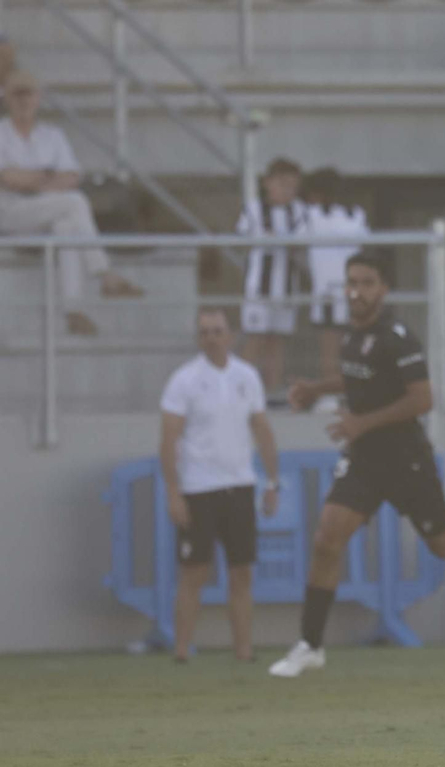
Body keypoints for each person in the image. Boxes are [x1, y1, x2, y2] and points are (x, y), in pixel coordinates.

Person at [267, 252, 445, 678]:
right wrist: (315, 389)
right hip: (363, 460)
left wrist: (361, 422)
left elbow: (422, 400)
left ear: (383, 289)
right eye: (351, 282)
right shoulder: (350, 337)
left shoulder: (398, 337)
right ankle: (311, 645)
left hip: (406, 461)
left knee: (444, 543)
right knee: (327, 539)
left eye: (366, 282)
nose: (356, 291)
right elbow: (356, 377)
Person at [159, 308, 278, 663]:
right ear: (198, 338)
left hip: (239, 485)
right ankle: (182, 649)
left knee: (242, 571)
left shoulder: (247, 376)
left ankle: (244, 650)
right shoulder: (184, 380)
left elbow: (261, 429)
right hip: (198, 489)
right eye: (205, 332)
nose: (211, 337)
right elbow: (169, 439)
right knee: (194, 571)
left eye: (217, 330)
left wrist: (272, 481)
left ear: (230, 335)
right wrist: (173, 490)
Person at [0, 69, 143, 337]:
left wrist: (30, 180)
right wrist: (47, 177)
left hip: (45, 212)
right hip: (10, 214)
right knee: (74, 202)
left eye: (28, 93)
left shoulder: (52, 135)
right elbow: (7, 178)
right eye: (17, 93)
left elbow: (72, 176)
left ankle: (73, 310)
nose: (23, 100)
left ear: (38, 98)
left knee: (67, 224)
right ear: (6, 98)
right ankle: (104, 274)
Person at [237, 157, 310, 399]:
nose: (289, 191)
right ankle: (242, 394)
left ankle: (271, 394)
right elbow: (244, 238)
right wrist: (277, 240)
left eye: (293, 186)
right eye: (284, 184)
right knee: (255, 339)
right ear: (268, 183)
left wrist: (276, 240)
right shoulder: (254, 209)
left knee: (277, 342)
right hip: (258, 288)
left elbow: (301, 242)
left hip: (287, 290)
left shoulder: (299, 210)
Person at [302, 167, 369, 413]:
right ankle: (344, 395)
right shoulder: (356, 214)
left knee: (332, 347)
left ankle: (333, 397)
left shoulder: (310, 215)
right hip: (348, 289)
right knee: (347, 345)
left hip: (331, 290)